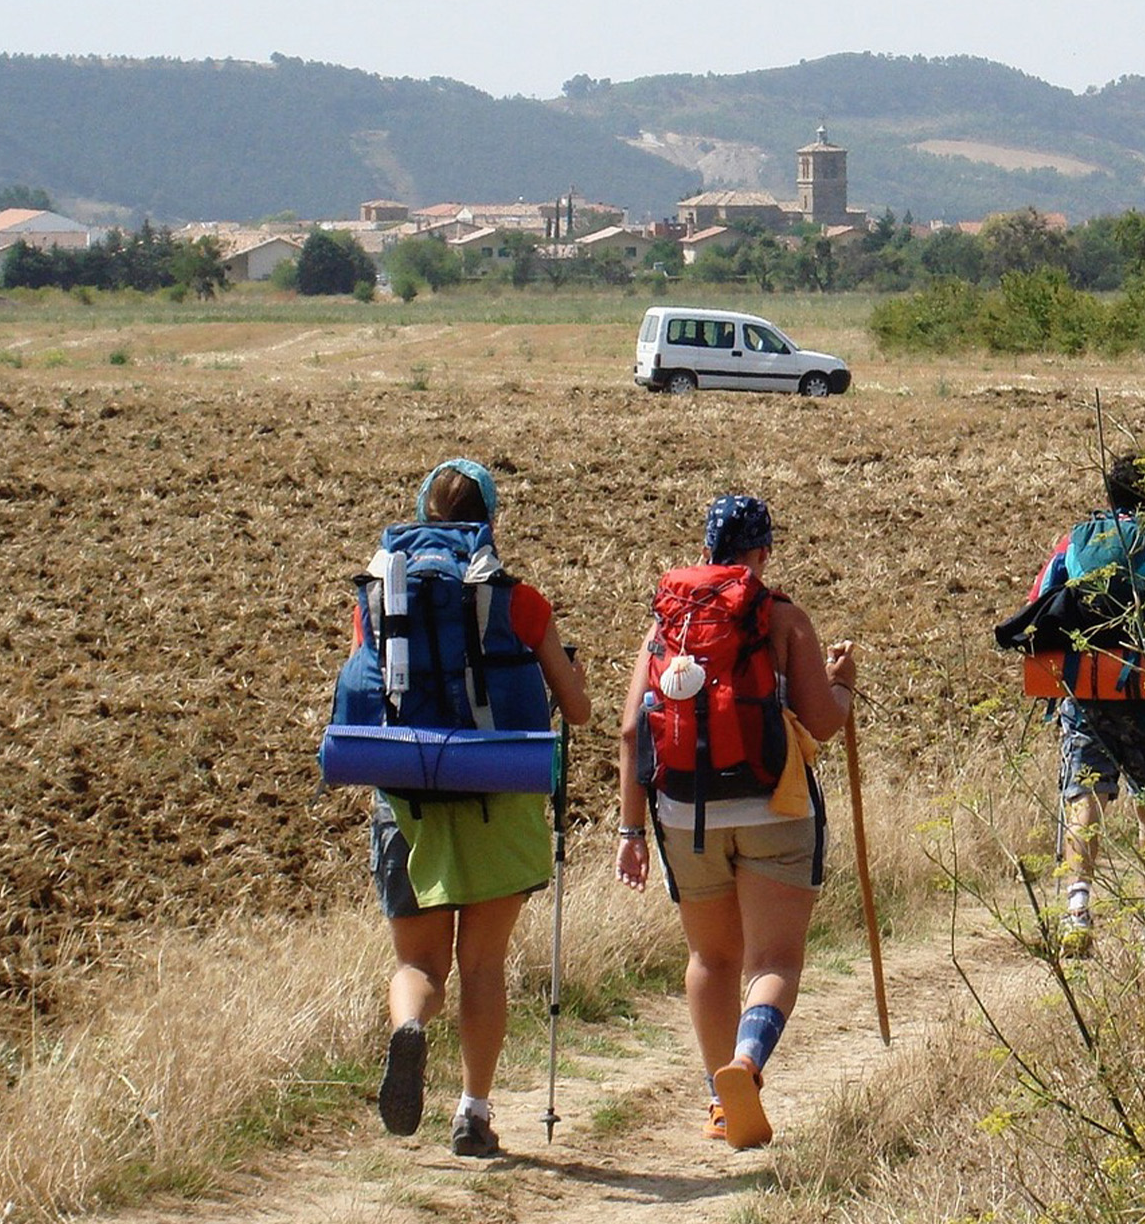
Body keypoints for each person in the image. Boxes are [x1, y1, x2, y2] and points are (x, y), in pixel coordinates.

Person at [614, 492, 858, 1151]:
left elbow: (634, 728)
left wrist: (630, 833)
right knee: (773, 959)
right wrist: (844, 684)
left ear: (704, 552)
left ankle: (720, 1103)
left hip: (683, 811)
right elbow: (824, 724)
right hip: (774, 807)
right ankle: (745, 1064)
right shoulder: (780, 617)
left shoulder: (668, 622)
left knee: (710, 956)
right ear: (762, 554)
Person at [363, 458, 590, 1160]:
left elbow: (371, 690)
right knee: (483, 964)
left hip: (408, 800)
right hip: (499, 795)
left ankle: (410, 1026)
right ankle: (474, 1112)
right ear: (489, 522)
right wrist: (571, 678)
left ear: (421, 515)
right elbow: (577, 710)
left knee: (421, 966)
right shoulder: (519, 602)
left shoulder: (380, 596)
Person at [1028, 452, 1145, 957]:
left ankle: (1076, 911)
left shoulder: (1077, 541)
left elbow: (1039, 604)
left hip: (1086, 688)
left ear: (1109, 495)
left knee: (1084, 798)